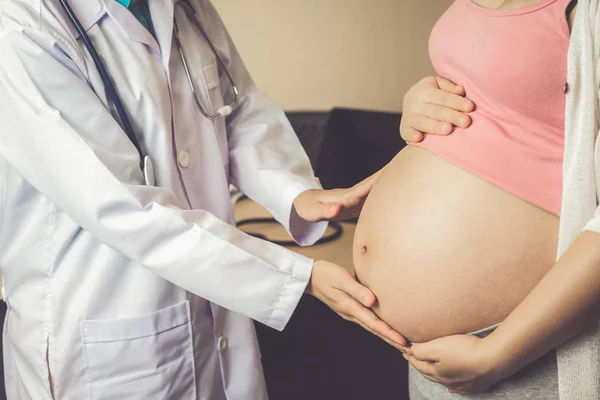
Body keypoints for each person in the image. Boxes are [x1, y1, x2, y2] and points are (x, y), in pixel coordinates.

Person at [0, 0, 407, 399]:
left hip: (212, 316)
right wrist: (299, 278)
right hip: (108, 334)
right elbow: (123, 206)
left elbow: (237, 108)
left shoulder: (186, 7)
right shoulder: (21, 25)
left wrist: (298, 194)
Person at [351, 0, 600, 399]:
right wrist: (422, 105)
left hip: (525, 343)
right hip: (437, 357)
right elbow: (509, 109)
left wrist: (496, 353)